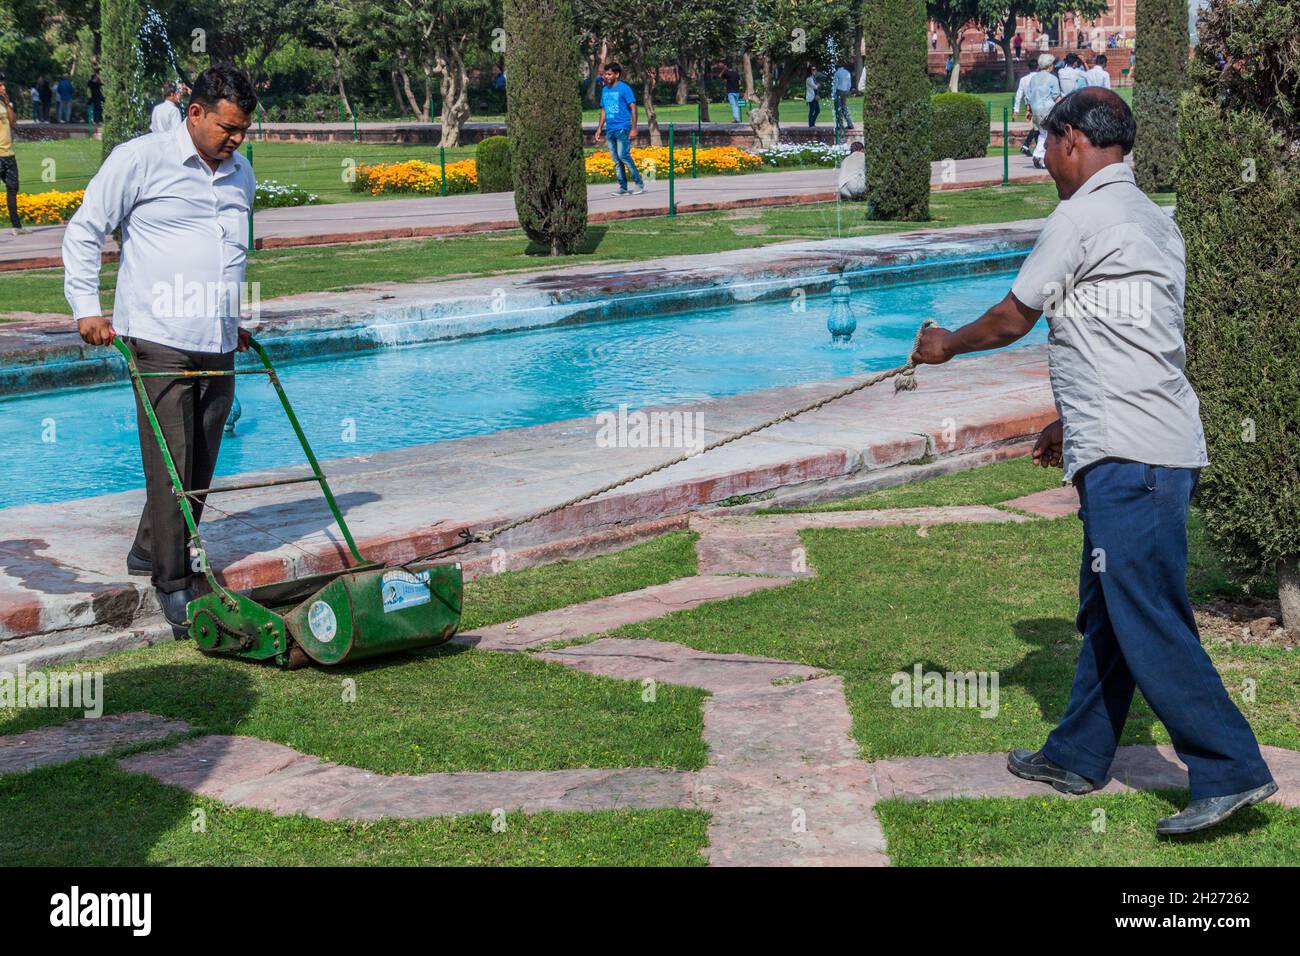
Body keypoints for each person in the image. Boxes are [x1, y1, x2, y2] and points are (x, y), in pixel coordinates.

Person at [911, 88, 1278, 837]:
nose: (1043, 159)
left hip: (1130, 459)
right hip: (1155, 449)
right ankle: (1077, 754)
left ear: (1073, 140)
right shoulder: (1152, 219)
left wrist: (945, 343)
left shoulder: (1080, 217)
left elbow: (1017, 315)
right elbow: (1130, 339)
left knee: (1147, 615)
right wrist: (1066, 419)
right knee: (1111, 606)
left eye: (1045, 145)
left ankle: (1231, 768)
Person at [62, 66, 258, 638]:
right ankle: (174, 582)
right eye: (228, 127)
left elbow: (227, 251)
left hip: (217, 337)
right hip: (157, 334)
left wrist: (234, 318)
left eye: (244, 129)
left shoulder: (241, 172)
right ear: (194, 112)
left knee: (200, 455)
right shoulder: (141, 158)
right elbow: (85, 229)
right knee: (172, 458)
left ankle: (151, 548)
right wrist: (86, 308)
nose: (237, 139)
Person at [593, 62, 644, 197]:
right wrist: (599, 129)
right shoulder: (605, 90)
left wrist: (634, 128)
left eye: (609, 74)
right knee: (616, 159)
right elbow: (603, 110)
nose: (607, 77)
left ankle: (639, 184)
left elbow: (633, 108)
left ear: (617, 74)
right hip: (610, 129)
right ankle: (623, 187)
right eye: (605, 74)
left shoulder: (624, 88)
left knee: (623, 156)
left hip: (623, 127)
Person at [0, 76, 27, 236]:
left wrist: (8, 103)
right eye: (0, 85)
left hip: (8, 154)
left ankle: (16, 226)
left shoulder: (5, 104)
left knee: (12, 188)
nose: (3, 88)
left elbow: (13, 123)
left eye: (3, 85)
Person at [1025, 53, 1061, 168]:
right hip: (1048, 109)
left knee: (1043, 133)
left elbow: (1028, 96)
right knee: (1050, 134)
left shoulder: (1033, 78)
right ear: (1050, 65)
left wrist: (1029, 110)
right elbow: (1057, 97)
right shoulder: (1052, 78)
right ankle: (1043, 158)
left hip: (1035, 109)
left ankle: (1037, 154)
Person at [1012, 60, 1039, 156]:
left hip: (1029, 107)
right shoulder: (1040, 78)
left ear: (1028, 68)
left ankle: (1029, 147)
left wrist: (1016, 110)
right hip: (1039, 105)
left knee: (1036, 128)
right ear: (1038, 67)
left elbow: (1019, 95)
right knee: (1038, 128)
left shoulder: (1024, 79)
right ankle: (1029, 147)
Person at [832, 61, 853, 131]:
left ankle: (840, 126)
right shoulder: (847, 72)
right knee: (844, 108)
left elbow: (835, 84)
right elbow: (849, 84)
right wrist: (847, 91)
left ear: (836, 67)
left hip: (839, 91)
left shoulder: (837, 73)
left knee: (838, 109)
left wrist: (833, 94)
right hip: (845, 91)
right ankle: (850, 124)